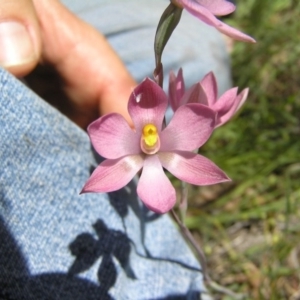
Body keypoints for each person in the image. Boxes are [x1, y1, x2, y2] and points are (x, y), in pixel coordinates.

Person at [0, 0, 231, 299]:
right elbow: (106, 134)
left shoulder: (180, 133)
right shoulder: (127, 142)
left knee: (199, 57)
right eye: (147, 133)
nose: (150, 138)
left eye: (153, 133)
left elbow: (192, 135)